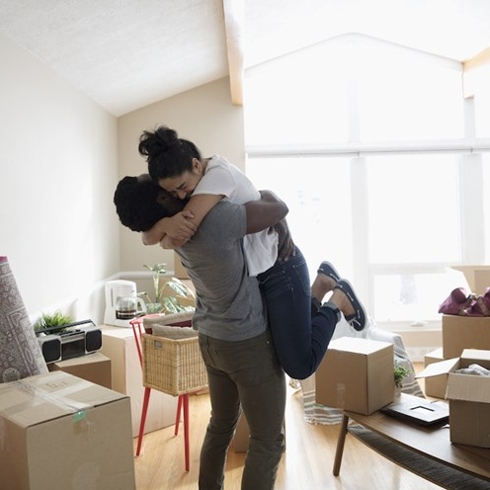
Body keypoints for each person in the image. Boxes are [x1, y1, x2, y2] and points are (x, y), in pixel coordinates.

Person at [114, 175, 365, 490]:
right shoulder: (212, 220)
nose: (177, 187)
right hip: (246, 342)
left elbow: (147, 236)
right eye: (165, 186)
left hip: (210, 339)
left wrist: (161, 226)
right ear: (162, 200)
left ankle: (321, 290)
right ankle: (334, 302)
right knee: (268, 439)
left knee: (220, 426)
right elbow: (275, 206)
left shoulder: (171, 236)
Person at [137, 126, 366, 380]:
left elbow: (178, 236)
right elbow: (155, 236)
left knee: (299, 366)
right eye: (172, 193)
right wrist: (162, 226)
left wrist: (163, 228)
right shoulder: (203, 181)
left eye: (182, 187)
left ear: (196, 165)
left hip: (281, 268)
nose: (180, 196)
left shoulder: (216, 177)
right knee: (287, 348)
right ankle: (321, 285)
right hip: (262, 271)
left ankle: (338, 301)